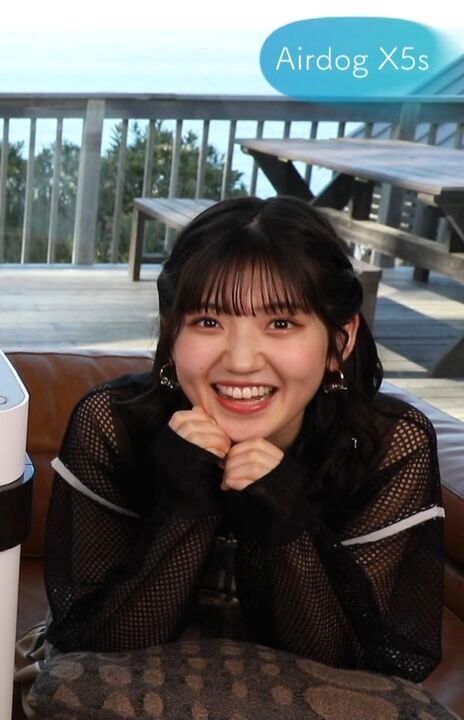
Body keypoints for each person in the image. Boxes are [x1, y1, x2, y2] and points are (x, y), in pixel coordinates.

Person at [22, 195, 443, 685]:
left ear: (340, 342)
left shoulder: (388, 446)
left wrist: (286, 524)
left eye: (281, 324)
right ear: (171, 333)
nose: (241, 361)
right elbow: (97, 650)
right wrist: (184, 504)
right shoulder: (113, 423)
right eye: (208, 321)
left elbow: (355, 673)